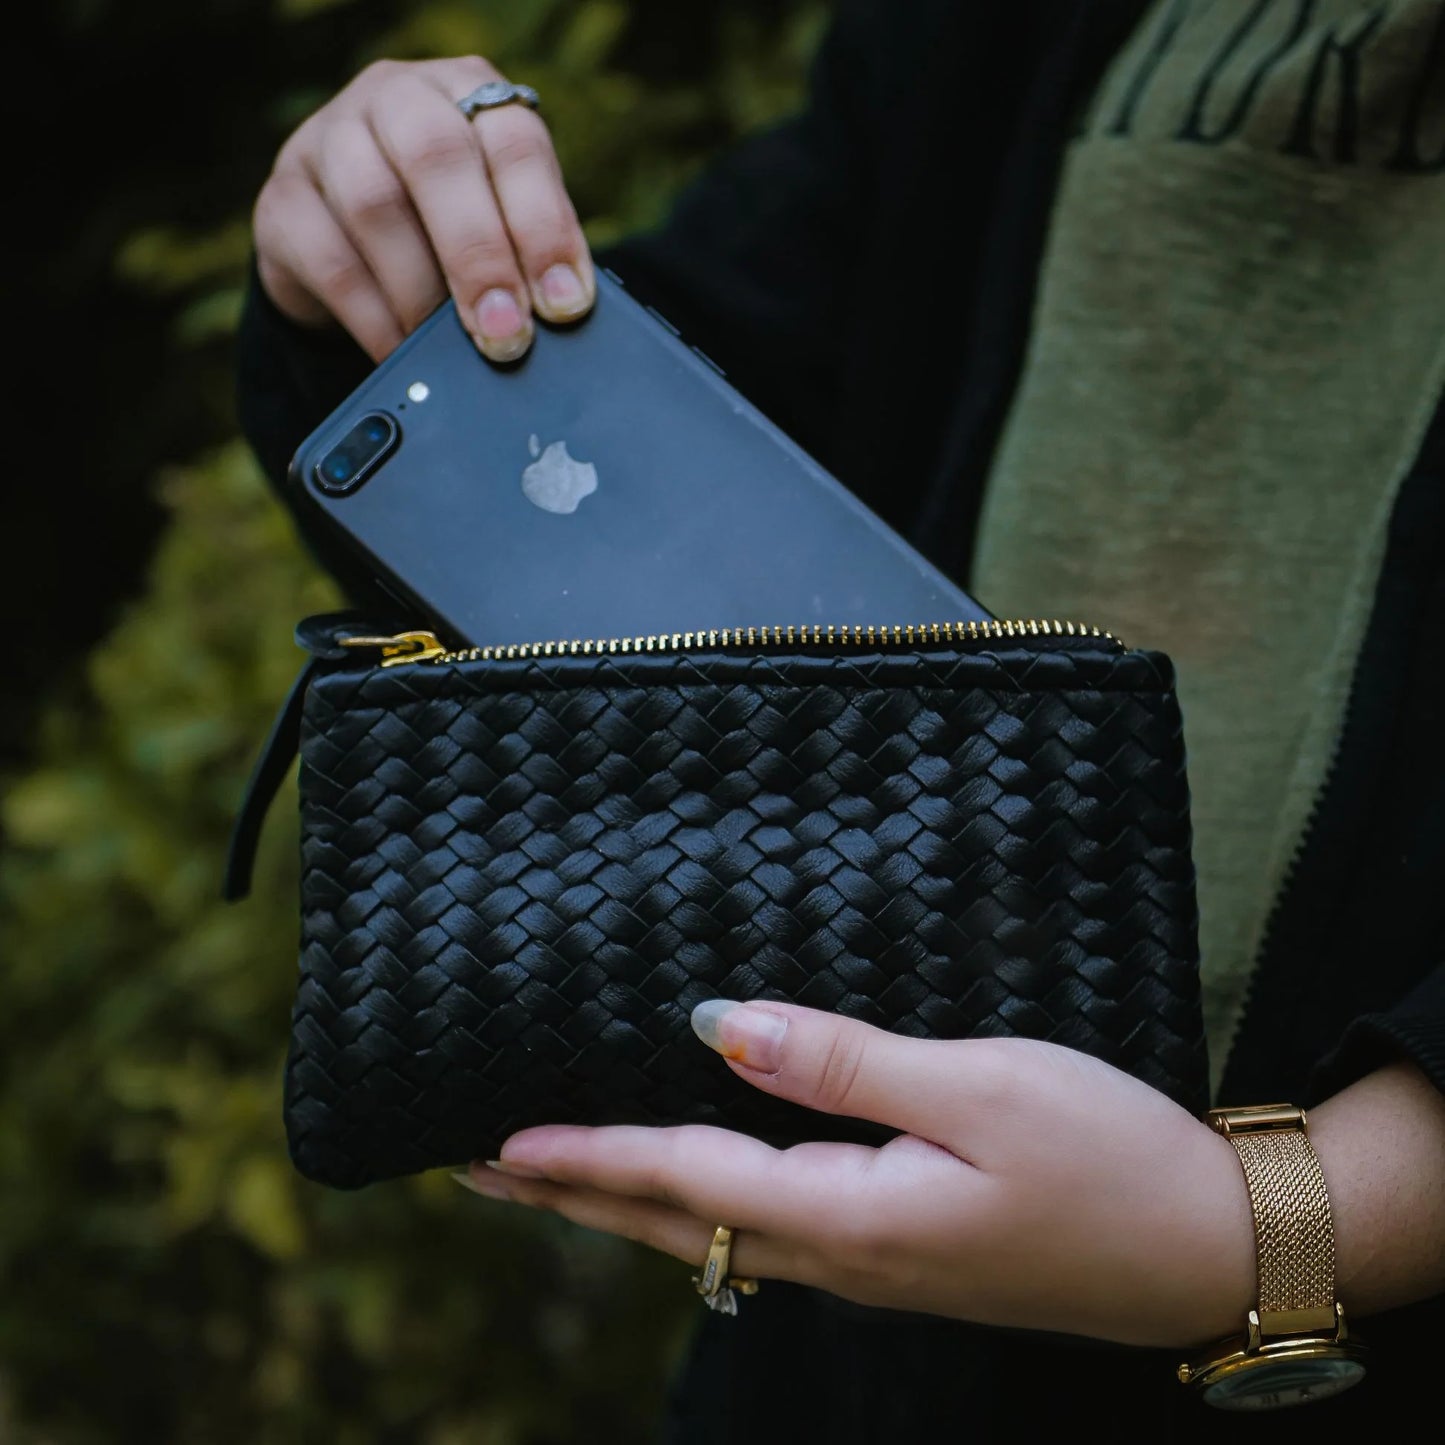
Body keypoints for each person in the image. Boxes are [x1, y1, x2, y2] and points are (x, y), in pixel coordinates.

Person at [236, 0, 1445, 1437]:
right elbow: (680, 434)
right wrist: (374, 270)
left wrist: (1277, 1224)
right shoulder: (993, 32)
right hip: (834, 1356)